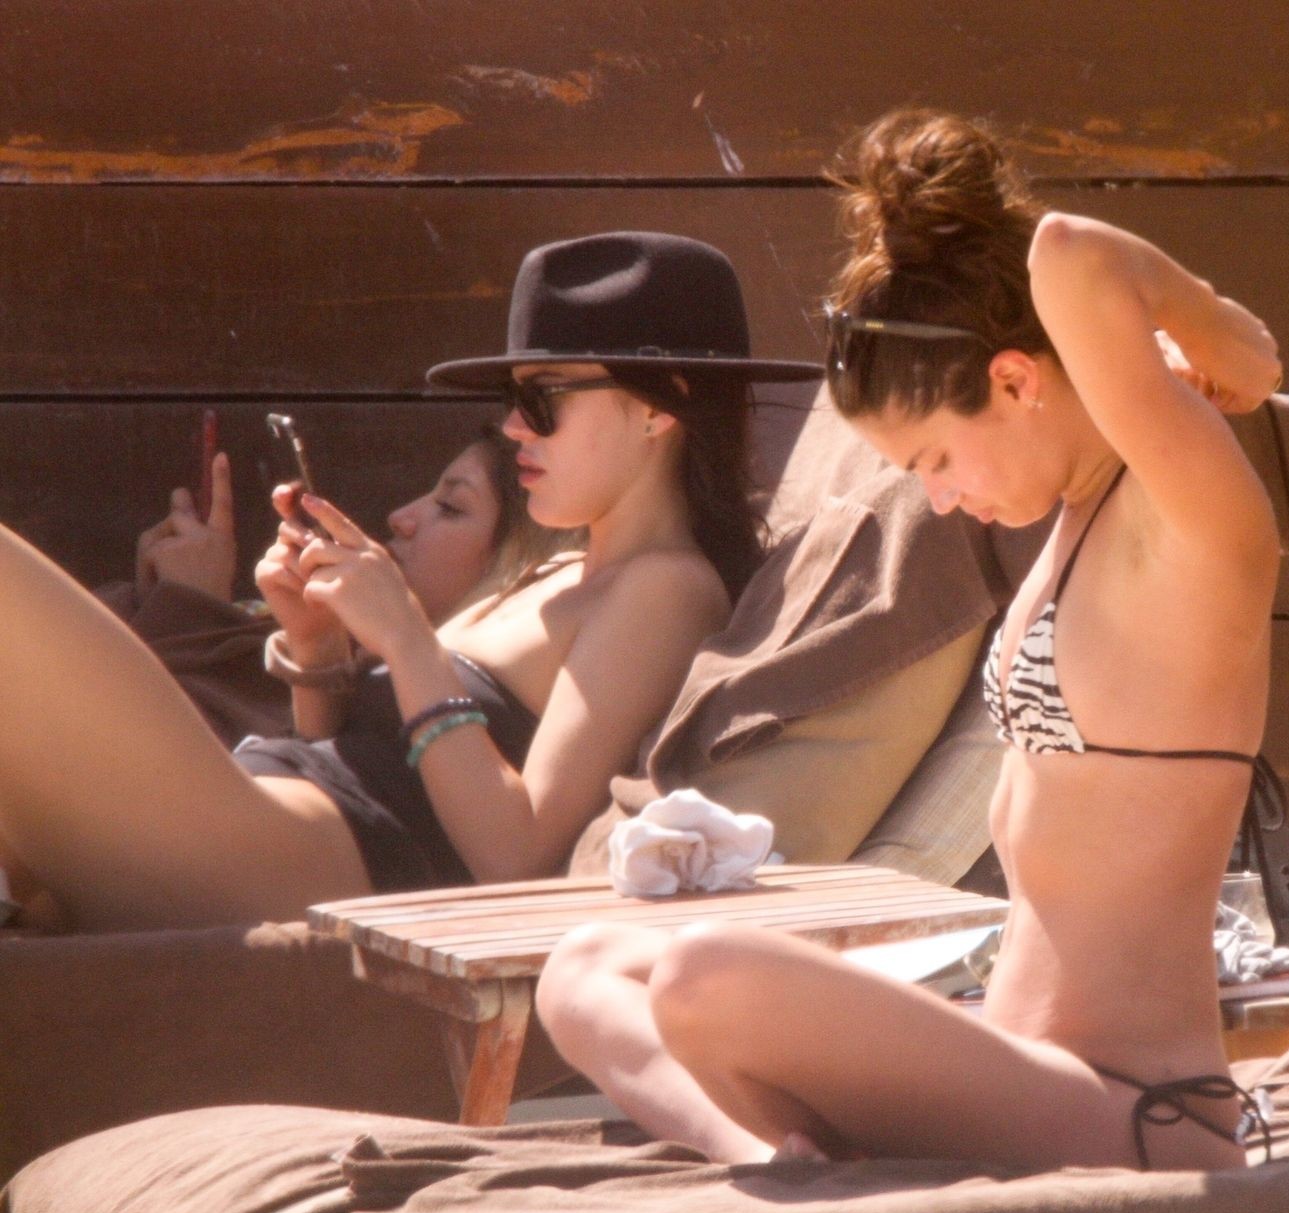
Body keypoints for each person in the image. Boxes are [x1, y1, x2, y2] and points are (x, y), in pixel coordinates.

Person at [535, 111, 1286, 1172]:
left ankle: (792, 1159)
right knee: (582, 970)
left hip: (1132, 1110)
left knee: (706, 974)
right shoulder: (1072, 525)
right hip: (1006, 1066)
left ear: (1016, 383)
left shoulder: (1191, 527)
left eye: (935, 457)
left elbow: (1069, 251)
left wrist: (1220, 336)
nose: (937, 498)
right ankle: (776, 1157)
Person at [0, 231, 820, 934]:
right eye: (513, 399)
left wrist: (404, 634)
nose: (514, 427)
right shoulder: (555, 572)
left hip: (280, 855)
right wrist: (319, 648)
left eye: (545, 399)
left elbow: (515, 855)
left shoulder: (667, 587)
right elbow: (362, 750)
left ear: (659, 406)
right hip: (269, 823)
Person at [104, 427, 582, 747]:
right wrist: (314, 643)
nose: (400, 518)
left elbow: (194, 762)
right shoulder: (345, 648)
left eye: (450, 507)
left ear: (521, 560)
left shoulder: (463, 706)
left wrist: (192, 610)